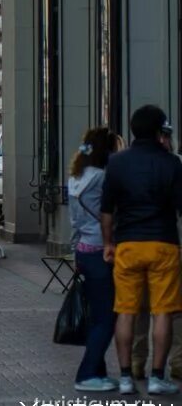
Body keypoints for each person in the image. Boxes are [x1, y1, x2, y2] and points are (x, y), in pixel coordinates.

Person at [99, 105, 182, 396]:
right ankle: (158, 377)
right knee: (162, 312)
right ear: (161, 132)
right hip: (163, 244)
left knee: (126, 312)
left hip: (128, 245)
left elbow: (107, 210)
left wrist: (108, 243)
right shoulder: (172, 164)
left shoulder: (117, 164)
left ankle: (124, 378)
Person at [68, 126, 120, 391]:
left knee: (97, 314)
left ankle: (98, 372)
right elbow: (111, 212)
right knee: (107, 316)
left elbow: (74, 221)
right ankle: (87, 374)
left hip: (83, 249)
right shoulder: (102, 178)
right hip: (102, 250)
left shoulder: (76, 177)